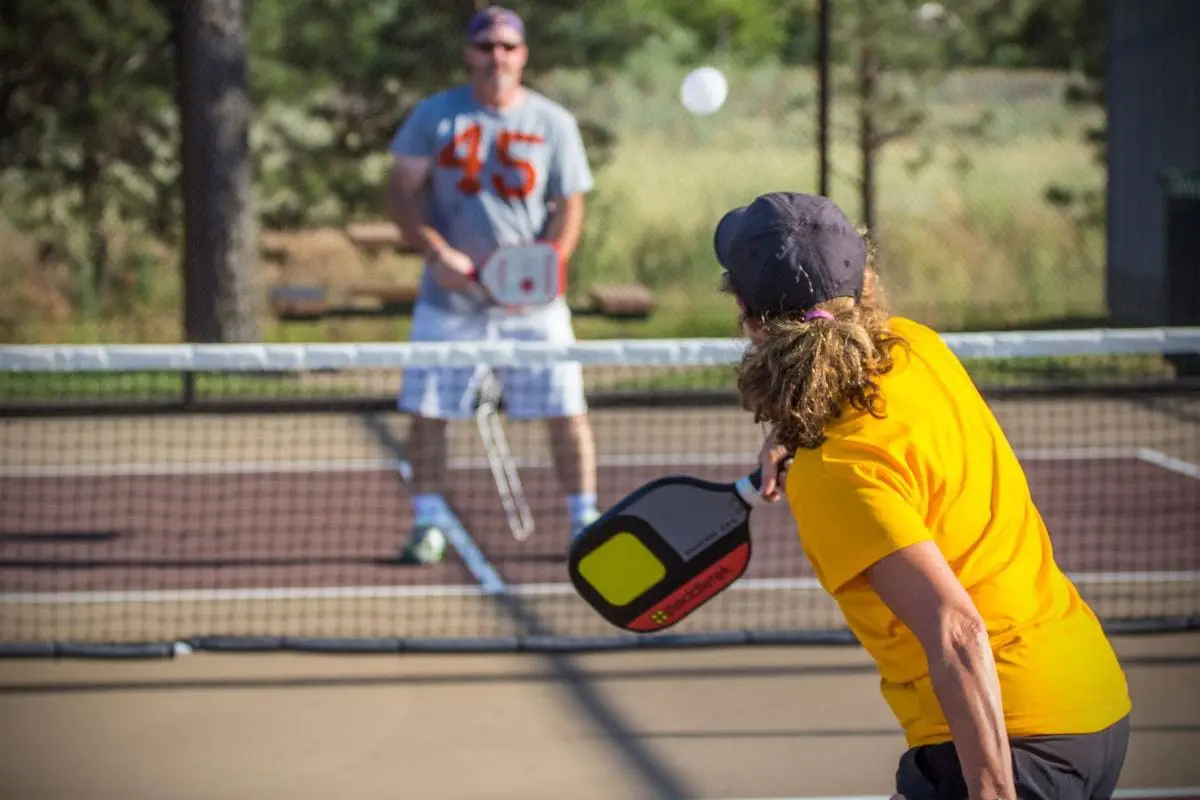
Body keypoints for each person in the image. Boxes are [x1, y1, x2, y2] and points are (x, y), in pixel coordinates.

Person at [714, 191, 1132, 799]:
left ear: (749, 317)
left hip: (1012, 745)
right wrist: (791, 434)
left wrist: (992, 791)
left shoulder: (838, 470)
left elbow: (957, 628)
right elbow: (854, 393)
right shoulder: (917, 348)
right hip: (1092, 700)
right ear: (860, 285)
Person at [385, 6, 599, 564]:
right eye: (486, 47)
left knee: (565, 408)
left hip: (533, 306)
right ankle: (428, 521)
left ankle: (584, 518)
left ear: (523, 54)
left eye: (507, 46)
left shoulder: (554, 123)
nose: (496, 57)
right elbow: (401, 192)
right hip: (449, 300)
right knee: (429, 410)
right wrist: (436, 252)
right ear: (469, 54)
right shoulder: (436, 116)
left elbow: (568, 207)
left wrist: (545, 265)